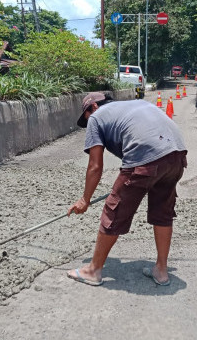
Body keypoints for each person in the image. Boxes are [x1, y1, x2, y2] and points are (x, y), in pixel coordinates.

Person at [66, 92, 187, 287]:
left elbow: (95, 166)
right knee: (162, 212)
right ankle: (161, 270)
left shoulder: (96, 117)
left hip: (146, 155)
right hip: (177, 154)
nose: (88, 123)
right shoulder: (135, 104)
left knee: (113, 210)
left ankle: (93, 270)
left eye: (86, 117)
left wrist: (85, 200)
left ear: (94, 107)